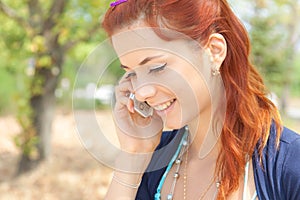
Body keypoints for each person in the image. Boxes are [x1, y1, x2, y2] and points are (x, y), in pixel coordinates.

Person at [101, 0, 300, 199]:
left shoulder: (290, 164)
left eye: (157, 67)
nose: (141, 92)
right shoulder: (153, 159)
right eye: (132, 74)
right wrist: (134, 155)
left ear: (214, 51)